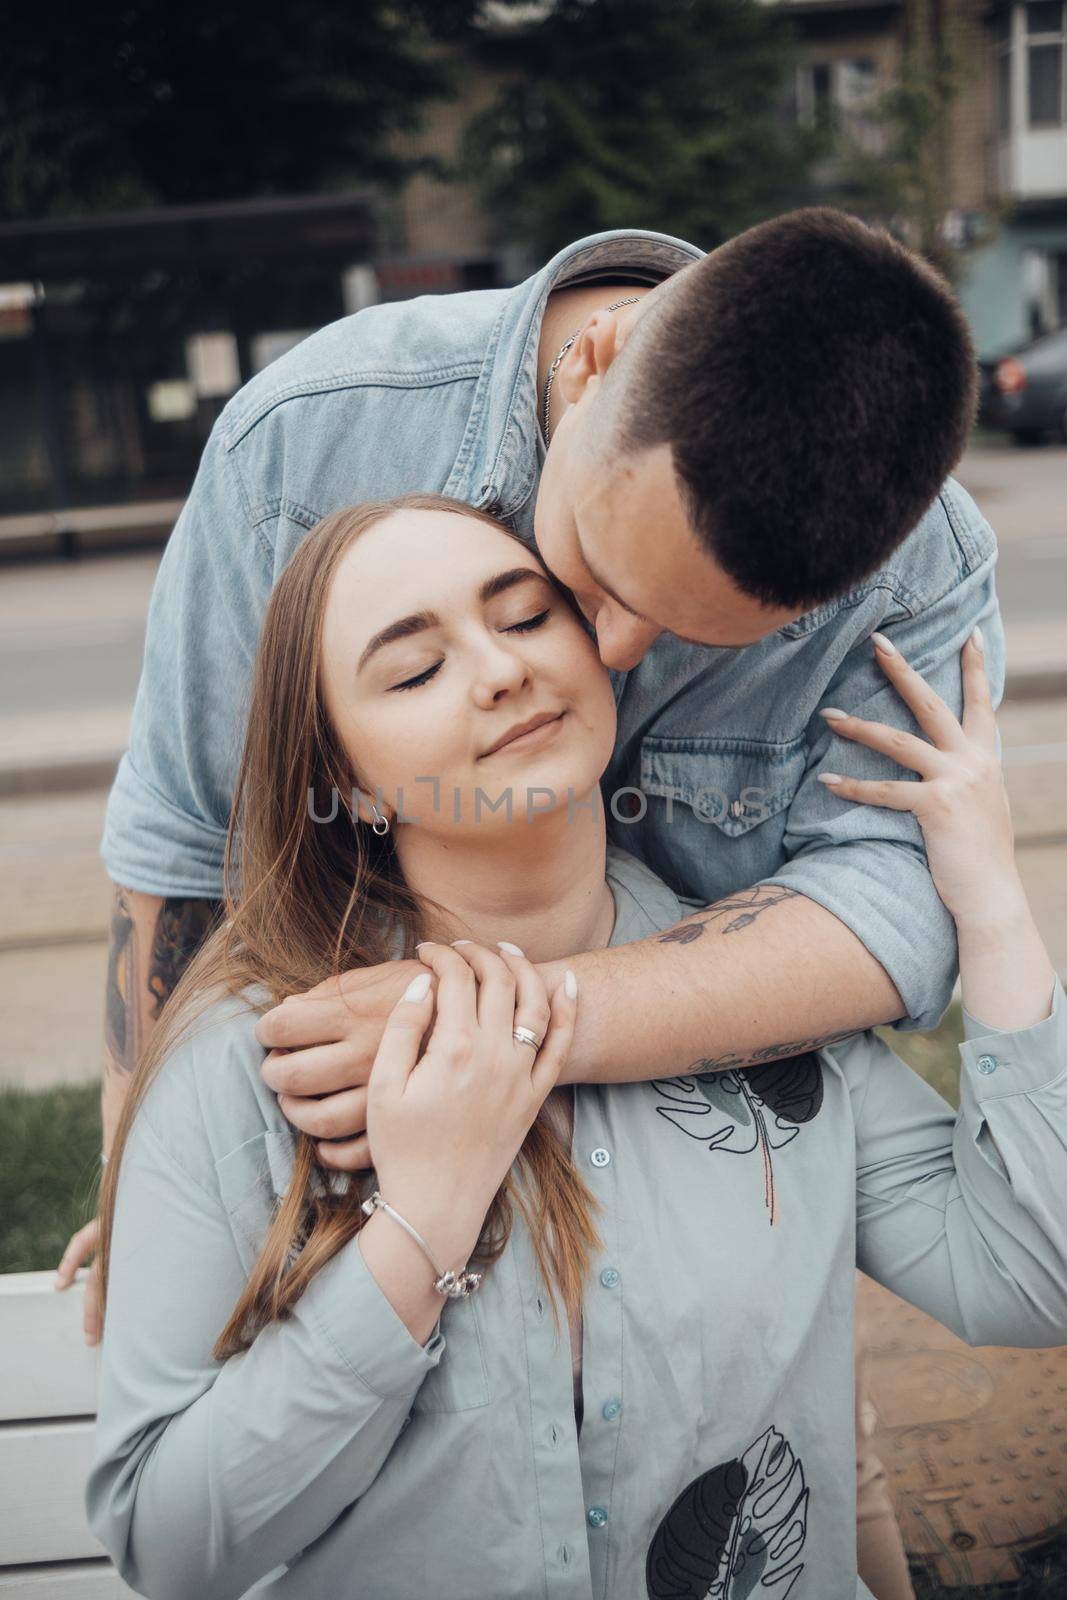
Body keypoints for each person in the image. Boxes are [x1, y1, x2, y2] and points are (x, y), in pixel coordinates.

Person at [87, 497, 1063, 1600]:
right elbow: (163, 1543)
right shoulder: (259, 1057)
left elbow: (1026, 1271)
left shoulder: (753, 989)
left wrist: (984, 896)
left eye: (524, 618)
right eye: (413, 671)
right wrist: (421, 1229)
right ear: (348, 779)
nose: (498, 672)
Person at [59, 211, 1003, 1352]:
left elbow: (889, 906)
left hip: (734, 1263)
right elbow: (182, 840)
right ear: (597, 356)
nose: (605, 652)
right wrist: (135, 1183)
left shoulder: (914, 563)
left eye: (692, 636)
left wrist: (494, 1024)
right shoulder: (308, 440)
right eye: (593, 574)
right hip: (355, 1231)